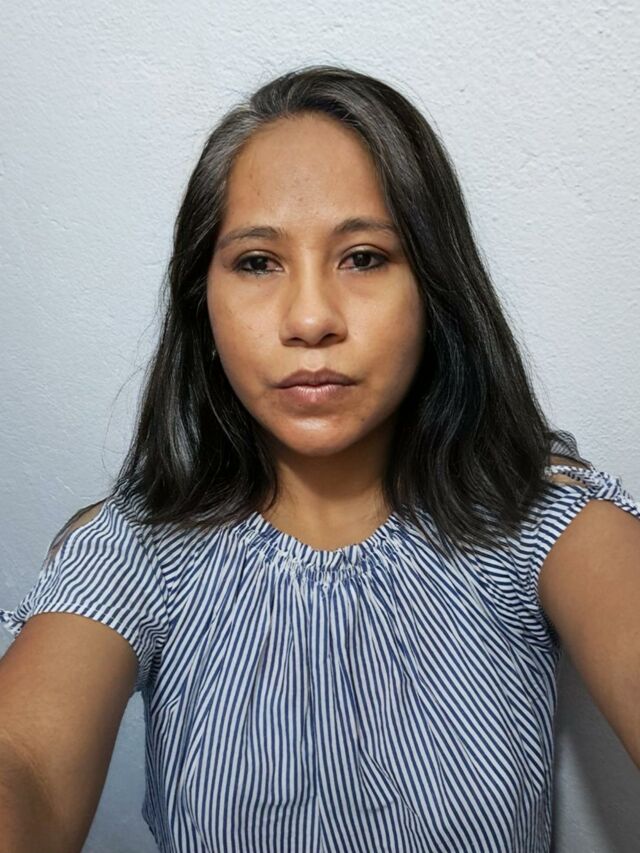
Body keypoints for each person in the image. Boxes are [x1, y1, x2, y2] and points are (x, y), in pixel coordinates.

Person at [1, 64, 639, 853]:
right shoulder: (138, 547)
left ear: (433, 289)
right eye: (257, 262)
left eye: (364, 257)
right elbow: (24, 761)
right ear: (204, 303)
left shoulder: (535, 521)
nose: (309, 319)